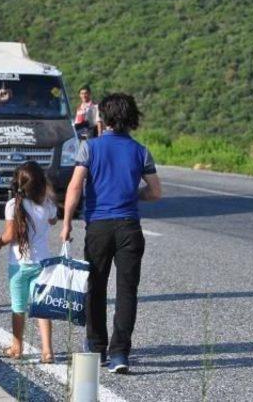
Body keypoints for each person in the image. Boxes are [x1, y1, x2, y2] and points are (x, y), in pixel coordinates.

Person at [60, 93, 162, 374]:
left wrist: (67, 222)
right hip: (129, 226)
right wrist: (132, 193)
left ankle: (96, 347)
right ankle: (120, 354)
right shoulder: (141, 151)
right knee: (127, 291)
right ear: (132, 119)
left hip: (98, 228)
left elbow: (75, 187)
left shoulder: (89, 148)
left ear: (102, 117)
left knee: (96, 287)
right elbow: (155, 192)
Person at [0, 161, 56, 364]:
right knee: (42, 308)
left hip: (19, 264)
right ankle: (47, 350)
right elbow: (53, 220)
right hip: (42, 263)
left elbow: (9, 235)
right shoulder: (47, 205)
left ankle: (17, 346)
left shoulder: (13, 206)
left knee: (18, 307)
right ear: (41, 184)